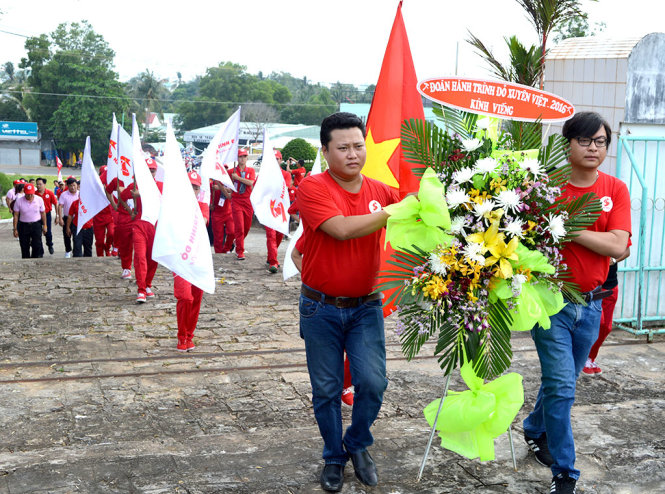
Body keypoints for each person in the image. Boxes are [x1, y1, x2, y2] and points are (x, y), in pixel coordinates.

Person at [522, 112, 631, 494]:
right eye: (585, 140)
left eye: (600, 141)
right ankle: (565, 474)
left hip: (592, 304)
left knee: (561, 381)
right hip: (550, 304)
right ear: (567, 144)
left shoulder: (614, 189)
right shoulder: (544, 190)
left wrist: (569, 228)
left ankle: (535, 428)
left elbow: (619, 247)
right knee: (564, 387)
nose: (593, 148)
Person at [295, 112, 399, 492]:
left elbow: (418, 220)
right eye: (343, 148)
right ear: (325, 151)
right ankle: (333, 458)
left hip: (366, 306)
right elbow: (339, 229)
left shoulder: (383, 192)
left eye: (359, 145)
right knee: (326, 389)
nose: (353, 154)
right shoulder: (313, 187)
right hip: (320, 308)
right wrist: (393, 213)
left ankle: (357, 444)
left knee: (373, 382)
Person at [173, 170, 210, 351]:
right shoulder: (174, 207)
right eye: (190, 187)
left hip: (198, 259)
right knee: (185, 297)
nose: (193, 190)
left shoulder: (202, 205)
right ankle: (181, 335)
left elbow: (203, 221)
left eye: (196, 187)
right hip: (181, 259)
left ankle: (189, 335)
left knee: (196, 298)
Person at [582, 246, 630, 375]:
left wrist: (613, 259)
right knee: (597, 323)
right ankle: (582, 358)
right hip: (591, 286)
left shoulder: (617, 228)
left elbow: (626, 251)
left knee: (606, 327)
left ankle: (590, 358)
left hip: (610, 284)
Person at [121, 158, 163, 303]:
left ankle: (148, 284)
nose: (150, 173)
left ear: (156, 172)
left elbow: (162, 200)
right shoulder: (135, 185)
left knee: (153, 258)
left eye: (152, 170)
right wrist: (130, 211)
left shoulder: (160, 186)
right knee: (140, 257)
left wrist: (141, 194)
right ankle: (141, 290)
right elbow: (122, 197)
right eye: (148, 170)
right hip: (139, 225)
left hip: (155, 226)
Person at [264, 149, 293, 273]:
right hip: (269, 209)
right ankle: (273, 262)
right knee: (271, 235)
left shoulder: (286, 174)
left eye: (277, 159)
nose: (275, 161)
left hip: (281, 211)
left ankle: (271, 256)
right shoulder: (265, 175)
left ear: (280, 160)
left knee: (279, 234)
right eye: (273, 159)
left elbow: (285, 187)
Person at [106, 173, 134, 278]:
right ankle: (126, 268)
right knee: (126, 244)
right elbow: (108, 191)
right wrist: (114, 205)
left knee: (141, 245)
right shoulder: (118, 179)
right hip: (125, 216)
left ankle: (143, 271)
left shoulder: (143, 179)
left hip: (140, 216)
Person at [230, 148, 256, 260]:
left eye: (244, 156)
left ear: (247, 158)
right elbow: (228, 185)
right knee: (239, 227)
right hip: (236, 200)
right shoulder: (231, 171)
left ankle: (237, 241)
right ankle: (240, 251)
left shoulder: (251, 170)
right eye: (240, 156)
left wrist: (238, 178)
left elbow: (250, 182)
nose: (242, 159)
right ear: (237, 158)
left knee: (247, 227)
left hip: (248, 201)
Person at [12, 183, 46, 258]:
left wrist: (45, 225)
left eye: (31, 194)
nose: (30, 196)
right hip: (24, 225)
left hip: (36, 224)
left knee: (37, 245)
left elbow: (43, 213)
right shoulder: (19, 201)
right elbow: (16, 215)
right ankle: (26, 261)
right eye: (28, 194)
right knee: (24, 245)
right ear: (24, 192)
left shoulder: (39, 199)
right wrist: (15, 229)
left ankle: (35, 259)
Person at [93, 166, 115, 257]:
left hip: (110, 215)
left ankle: (108, 247)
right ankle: (100, 256)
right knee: (99, 241)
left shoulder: (112, 184)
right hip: (98, 216)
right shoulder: (95, 185)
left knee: (111, 233)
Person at [210, 177, 235, 253]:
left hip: (228, 212)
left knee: (232, 232)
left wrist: (221, 188)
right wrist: (210, 204)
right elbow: (207, 195)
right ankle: (219, 254)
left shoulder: (228, 183)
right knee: (218, 238)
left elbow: (232, 191)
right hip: (217, 213)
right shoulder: (212, 184)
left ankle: (226, 248)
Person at [35, 177, 59, 255]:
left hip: (47, 215)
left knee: (47, 232)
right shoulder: (34, 194)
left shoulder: (50, 193)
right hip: (37, 215)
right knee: (37, 233)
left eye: (40, 184)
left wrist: (57, 216)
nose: (38, 186)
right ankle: (40, 250)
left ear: (44, 184)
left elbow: (56, 204)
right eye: (37, 184)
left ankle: (50, 245)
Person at [56, 177, 79, 258]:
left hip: (77, 218)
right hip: (66, 217)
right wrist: (60, 218)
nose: (72, 187)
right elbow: (60, 206)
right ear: (67, 186)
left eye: (74, 185)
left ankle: (76, 251)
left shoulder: (80, 194)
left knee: (77, 236)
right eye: (70, 186)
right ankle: (68, 250)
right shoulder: (64, 194)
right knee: (67, 235)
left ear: (77, 185)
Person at [66, 193, 94, 257]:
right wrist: (68, 227)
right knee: (77, 247)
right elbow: (70, 216)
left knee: (88, 248)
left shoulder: (91, 204)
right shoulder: (75, 203)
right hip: (77, 228)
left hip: (88, 228)